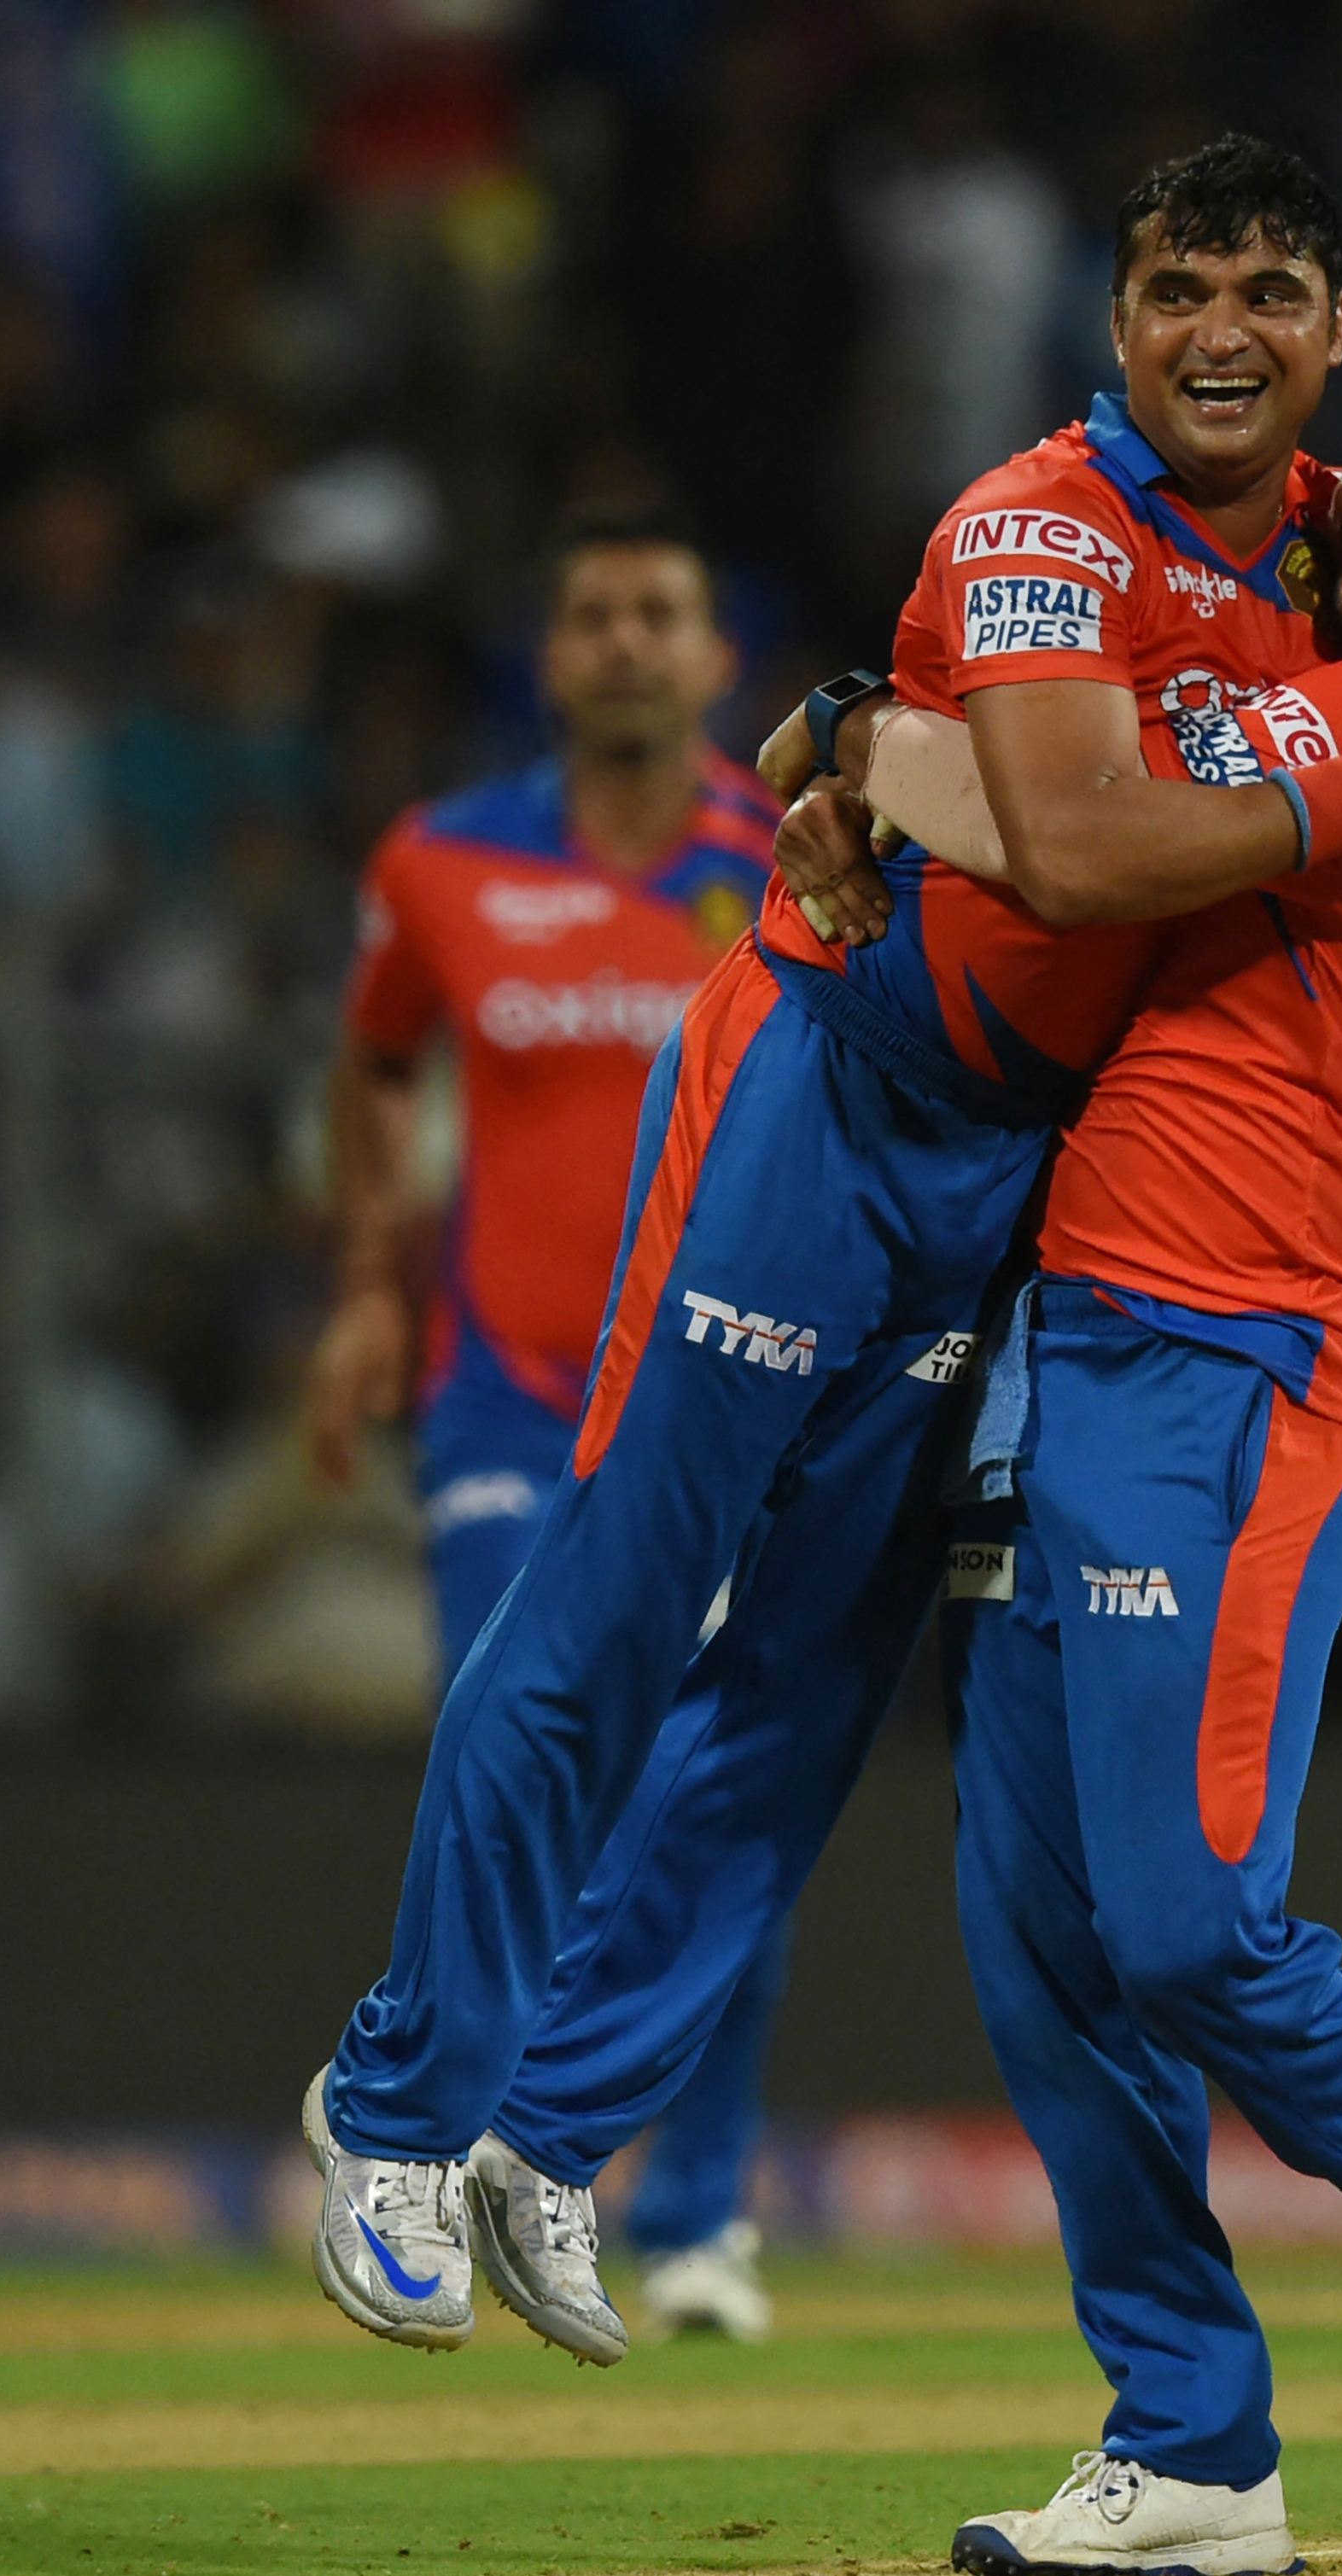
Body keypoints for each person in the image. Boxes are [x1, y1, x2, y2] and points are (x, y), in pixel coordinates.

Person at [297, 135, 1342, 2363]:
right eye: (1180, 286)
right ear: (1114, 314)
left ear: (1329, 340)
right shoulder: (1028, 528)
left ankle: (545, 2138)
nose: (1220, 332)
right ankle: (396, 2103)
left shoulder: (1331, 541)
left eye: (1270, 293)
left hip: (1011, 1182)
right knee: (614, 1594)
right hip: (823, 1077)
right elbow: (1075, 854)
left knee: (797, 1694)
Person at [820, 296, 1342, 2576]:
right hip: (1074, 1344)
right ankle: (1187, 2445)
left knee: (1174, 1920)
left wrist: (879, 749)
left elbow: (1064, 835)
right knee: (1035, 1933)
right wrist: (855, 748)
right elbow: (1067, 798)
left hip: (1252, 1362)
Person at [301, 509, 791, 2357]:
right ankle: (428, 2127)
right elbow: (371, 1061)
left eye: (657, 610)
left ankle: (703, 2205)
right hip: (508, 1382)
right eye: (588, 612)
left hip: (718, 1387)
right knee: (527, 1753)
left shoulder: (794, 855)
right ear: (550, 657)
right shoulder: (441, 862)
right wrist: (367, 1282)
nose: (622, 640)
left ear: (713, 653)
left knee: (710, 1783)